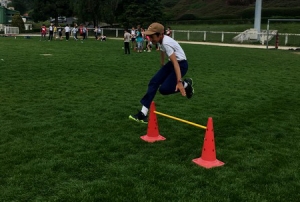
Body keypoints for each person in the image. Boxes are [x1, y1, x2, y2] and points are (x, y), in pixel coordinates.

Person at [129, 22, 194, 123]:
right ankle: (143, 114)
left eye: (152, 36)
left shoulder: (166, 43)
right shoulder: (161, 41)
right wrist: (163, 64)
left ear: (160, 35)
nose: (150, 39)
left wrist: (180, 82)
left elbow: (176, 63)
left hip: (181, 65)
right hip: (171, 64)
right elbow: (163, 51)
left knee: (164, 90)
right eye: (149, 36)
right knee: (154, 82)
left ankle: (186, 85)